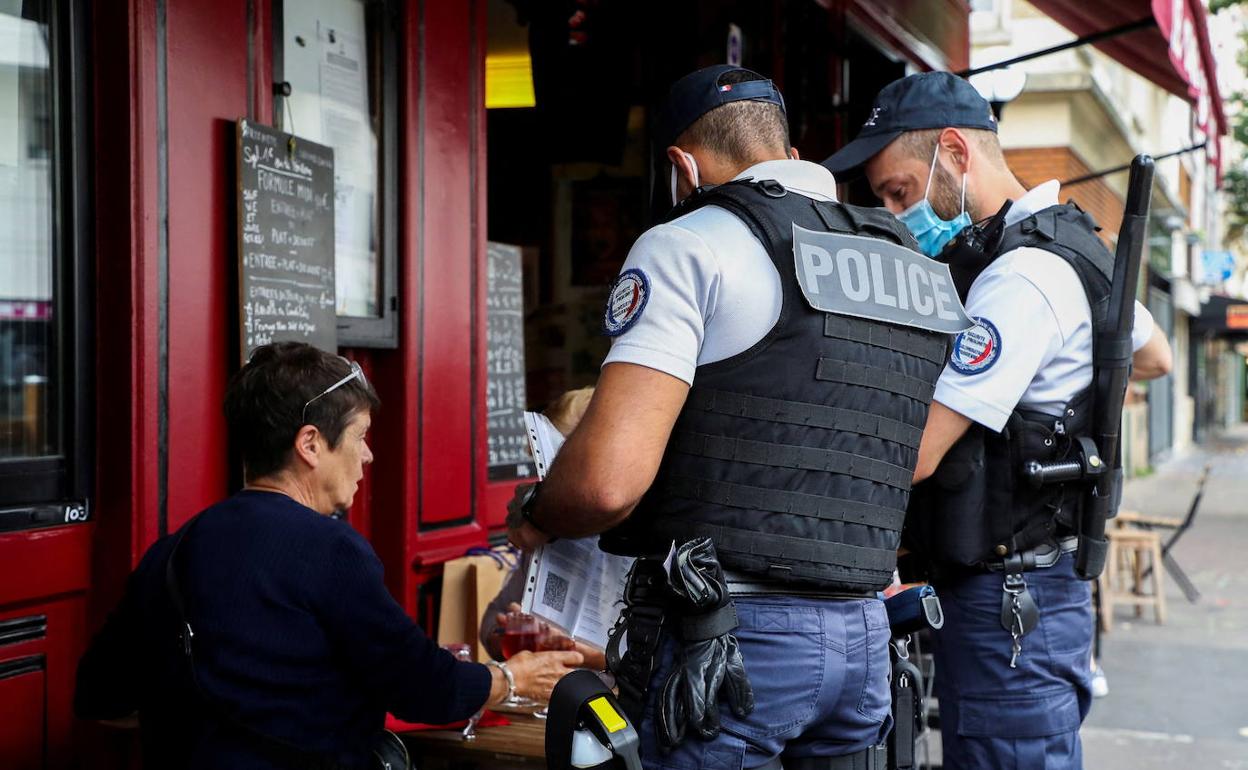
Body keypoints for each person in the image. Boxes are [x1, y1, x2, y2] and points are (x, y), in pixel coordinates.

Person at [509, 65, 967, 770]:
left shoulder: (688, 243)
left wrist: (539, 516)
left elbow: (605, 485)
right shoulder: (909, 263)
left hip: (730, 644)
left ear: (682, 168)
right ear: (789, 151)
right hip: (866, 634)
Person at [822, 71, 1173, 769]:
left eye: (899, 192)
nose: (895, 213)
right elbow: (1154, 354)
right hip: (1033, 592)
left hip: (1009, 603)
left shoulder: (1020, 279)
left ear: (955, 152)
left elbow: (921, 454)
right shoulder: (1068, 244)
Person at [75, 342, 581, 770]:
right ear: (311, 444)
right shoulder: (330, 549)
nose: (368, 456)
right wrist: (513, 678)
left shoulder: (173, 550)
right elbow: (422, 687)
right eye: (360, 437)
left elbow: (99, 696)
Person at [479, 386, 607, 671]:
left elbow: (662, 661)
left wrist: (587, 655)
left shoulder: (645, 542)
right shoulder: (545, 536)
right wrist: (509, 634)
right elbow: (491, 620)